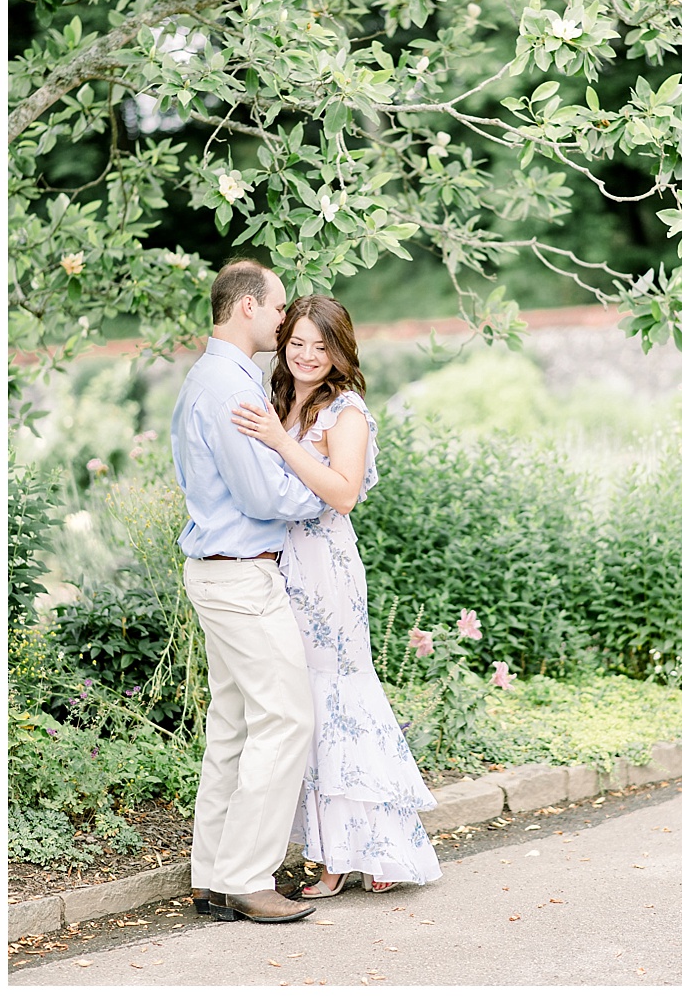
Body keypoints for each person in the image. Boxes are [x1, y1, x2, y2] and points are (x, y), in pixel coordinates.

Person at [231, 294, 441, 897]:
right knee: (300, 704)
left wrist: (282, 441)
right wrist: (280, 434)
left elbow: (342, 493)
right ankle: (346, 848)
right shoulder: (277, 399)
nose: (305, 355)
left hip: (325, 567)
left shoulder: (344, 411)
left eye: (320, 347)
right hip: (279, 565)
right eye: (296, 341)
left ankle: (348, 857)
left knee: (335, 701)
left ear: (340, 352)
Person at [170, 259, 325, 924]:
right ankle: (247, 877)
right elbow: (263, 492)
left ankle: (212, 874)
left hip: (221, 570)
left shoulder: (208, 378)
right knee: (287, 719)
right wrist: (320, 492)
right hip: (240, 572)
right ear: (246, 309)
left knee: (234, 726)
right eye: (278, 307)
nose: (285, 319)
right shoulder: (229, 387)